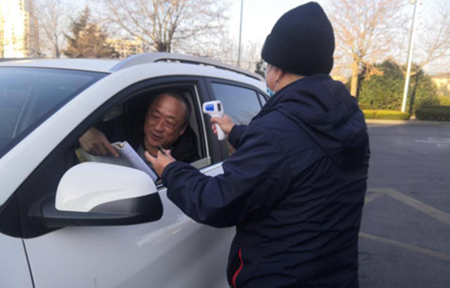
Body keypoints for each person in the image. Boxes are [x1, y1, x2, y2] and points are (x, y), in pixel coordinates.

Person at [147, 2, 370, 288]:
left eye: (268, 65)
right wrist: (236, 132)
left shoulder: (279, 131)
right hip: (334, 273)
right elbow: (297, 155)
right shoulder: (346, 116)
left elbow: (217, 202)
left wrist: (172, 170)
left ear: (277, 69)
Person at [78, 91, 200, 166]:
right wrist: (84, 131)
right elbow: (68, 133)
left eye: (169, 122)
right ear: (146, 115)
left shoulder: (189, 164)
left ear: (182, 129)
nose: (158, 127)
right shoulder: (121, 130)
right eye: (155, 116)